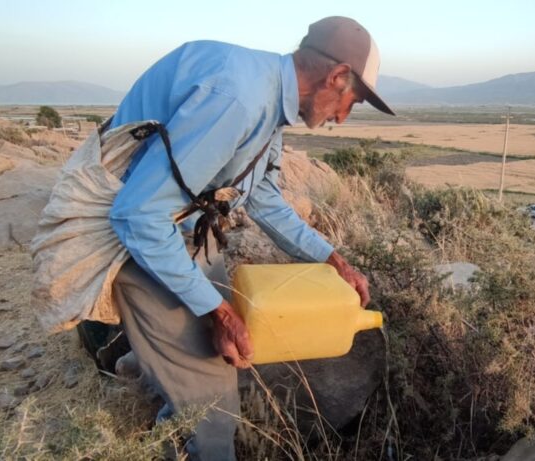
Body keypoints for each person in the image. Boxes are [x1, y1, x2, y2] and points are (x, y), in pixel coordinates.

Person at [106, 16, 394, 460]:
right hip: (140, 240)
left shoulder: (270, 106)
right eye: (350, 103)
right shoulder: (239, 100)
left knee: (221, 348)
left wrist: (332, 259)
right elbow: (138, 215)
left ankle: (150, 369)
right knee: (215, 400)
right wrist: (218, 314)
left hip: (181, 230)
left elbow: (263, 200)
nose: (341, 118)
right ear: (336, 77)